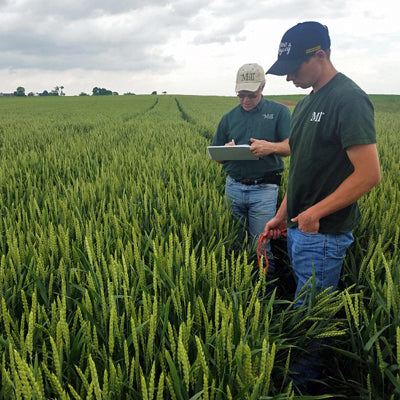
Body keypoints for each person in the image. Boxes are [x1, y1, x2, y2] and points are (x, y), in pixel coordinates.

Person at [263, 21, 381, 390]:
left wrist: (315, 212)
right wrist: (281, 216)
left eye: (294, 68)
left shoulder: (348, 98)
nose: (288, 78)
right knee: (303, 311)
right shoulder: (306, 103)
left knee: (312, 318)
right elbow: (301, 168)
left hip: (324, 234)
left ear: (321, 55)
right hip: (300, 229)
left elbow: (369, 174)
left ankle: (302, 386)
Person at [211, 63, 291, 275]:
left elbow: (292, 146)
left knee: (260, 244)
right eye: (241, 95)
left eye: (251, 95)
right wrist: (225, 151)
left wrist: (270, 147)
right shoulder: (228, 118)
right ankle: (240, 283)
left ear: (262, 88)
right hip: (233, 187)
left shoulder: (279, 112)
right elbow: (216, 156)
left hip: (264, 189)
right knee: (235, 241)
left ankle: (264, 294)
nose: (245, 100)